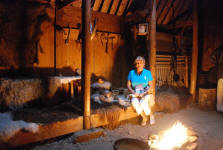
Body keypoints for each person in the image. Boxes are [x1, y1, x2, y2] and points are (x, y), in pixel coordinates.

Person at [127, 56, 155, 126]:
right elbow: (128, 85)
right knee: (134, 102)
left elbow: (151, 85)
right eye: (137, 63)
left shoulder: (147, 73)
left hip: (145, 92)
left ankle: (151, 115)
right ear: (135, 64)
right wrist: (133, 92)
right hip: (135, 93)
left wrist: (144, 92)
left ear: (143, 64)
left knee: (142, 102)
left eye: (141, 63)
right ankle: (144, 117)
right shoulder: (131, 72)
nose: (139, 65)